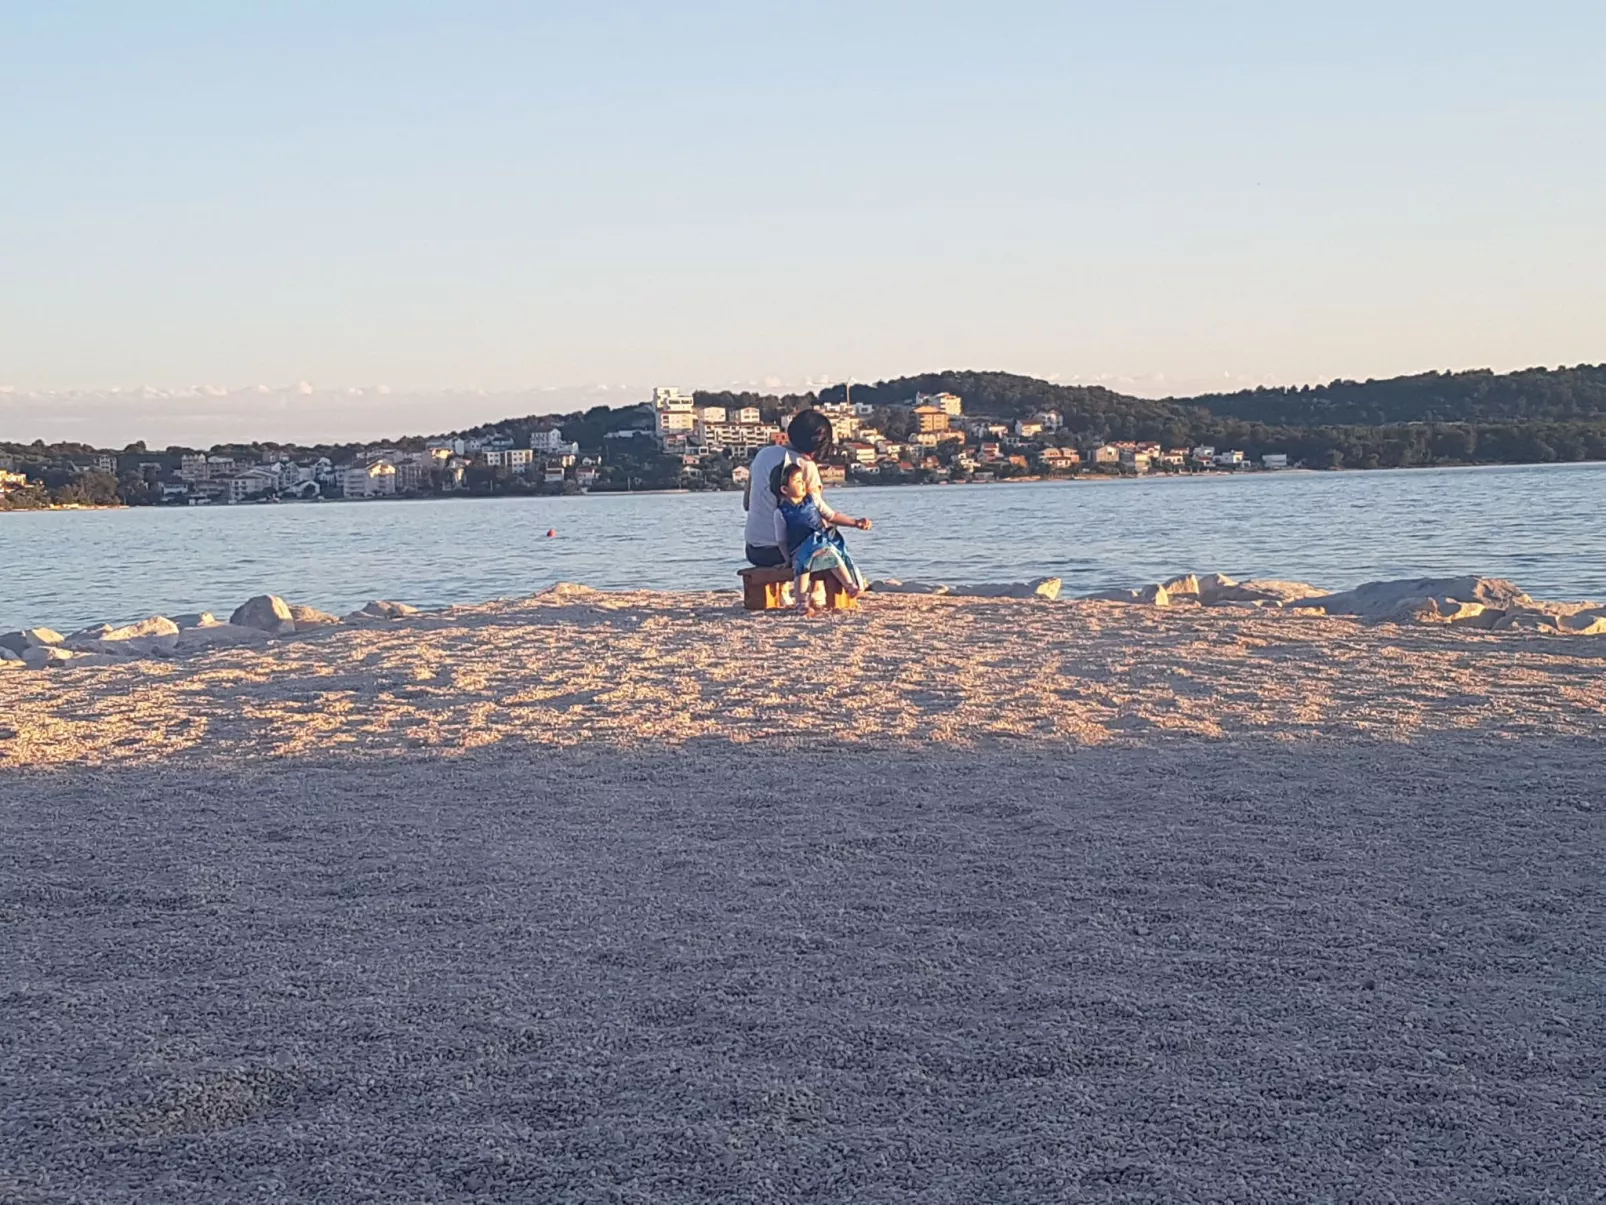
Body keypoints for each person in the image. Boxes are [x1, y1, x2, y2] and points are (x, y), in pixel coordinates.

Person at [743, 408, 872, 568]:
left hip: (754, 550)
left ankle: (784, 590)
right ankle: (822, 588)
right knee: (828, 538)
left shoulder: (763, 454)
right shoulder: (805, 466)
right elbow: (818, 514)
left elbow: (747, 505)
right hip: (785, 552)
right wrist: (853, 523)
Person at [774, 464, 868, 614]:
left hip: (821, 545)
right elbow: (782, 540)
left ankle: (850, 586)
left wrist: (855, 523)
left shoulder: (813, 499)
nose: (802, 483)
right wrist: (787, 559)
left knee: (834, 557)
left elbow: (832, 516)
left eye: (802, 480)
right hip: (800, 550)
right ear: (785, 489)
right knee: (802, 569)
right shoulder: (781, 512)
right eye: (797, 481)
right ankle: (801, 602)